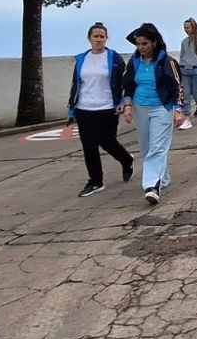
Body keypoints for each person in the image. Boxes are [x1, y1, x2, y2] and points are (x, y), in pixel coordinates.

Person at [67, 22, 135, 197]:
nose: (98, 39)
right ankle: (96, 181)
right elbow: (76, 83)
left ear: (106, 38)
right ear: (89, 38)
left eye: (102, 36)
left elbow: (123, 82)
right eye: (95, 36)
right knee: (89, 146)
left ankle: (126, 159)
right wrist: (71, 108)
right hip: (84, 108)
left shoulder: (114, 58)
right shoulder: (82, 59)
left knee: (107, 141)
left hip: (107, 107)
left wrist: (123, 102)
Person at [120, 23, 184, 206]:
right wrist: (128, 105)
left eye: (144, 44)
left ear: (154, 43)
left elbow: (177, 86)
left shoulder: (167, 62)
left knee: (157, 148)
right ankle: (162, 178)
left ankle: (151, 187)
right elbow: (128, 84)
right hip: (141, 107)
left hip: (161, 108)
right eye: (138, 44)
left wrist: (178, 109)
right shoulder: (134, 62)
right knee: (147, 148)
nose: (141, 48)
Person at [178, 18, 197, 129]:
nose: (186, 30)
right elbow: (182, 55)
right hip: (185, 70)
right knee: (185, 95)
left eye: (188, 27)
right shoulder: (184, 41)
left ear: (193, 27)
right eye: (185, 28)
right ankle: (187, 118)